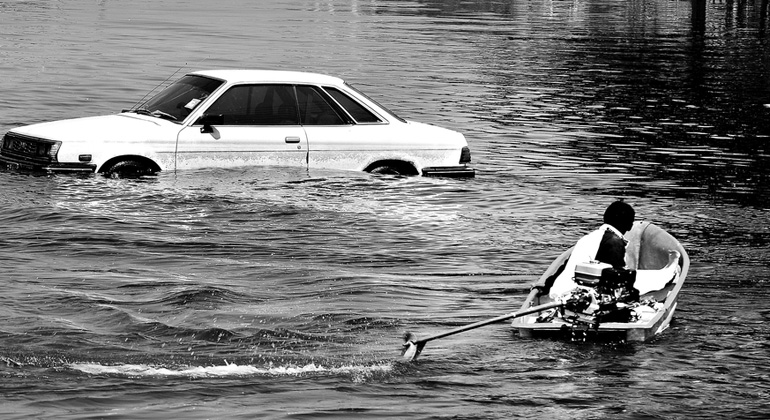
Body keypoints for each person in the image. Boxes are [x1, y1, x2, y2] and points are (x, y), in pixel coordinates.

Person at [548, 201, 635, 299]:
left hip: (559, 291)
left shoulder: (589, 237)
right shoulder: (614, 242)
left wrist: (547, 285)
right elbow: (618, 278)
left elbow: (565, 266)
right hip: (578, 297)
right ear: (629, 225)